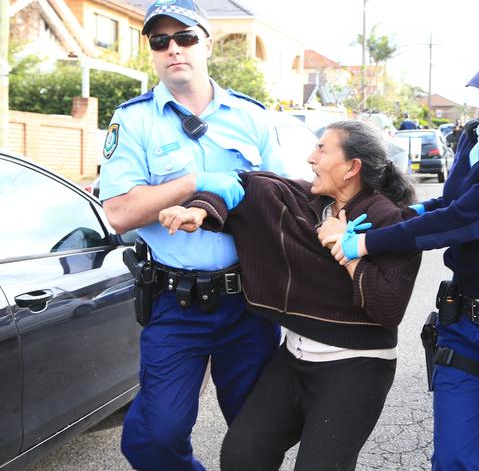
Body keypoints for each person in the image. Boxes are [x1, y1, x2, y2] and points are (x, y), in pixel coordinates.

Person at [321, 30, 479, 470]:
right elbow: (449, 202)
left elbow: (463, 221)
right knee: (453, 457)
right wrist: (399, 215)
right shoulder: (478, 136)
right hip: (465, 322)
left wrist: (363, 242)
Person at [158, 120, 422, 471]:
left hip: (356, 367)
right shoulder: (308, 200)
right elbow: (246, 185)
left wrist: (348, 248)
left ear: (352, 168)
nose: (310, 157)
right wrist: (200, 209)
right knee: (242, 455)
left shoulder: (390, 220)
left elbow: (389, 306)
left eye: (322, 149)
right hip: (295, 358)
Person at [99, 0, 285, 471]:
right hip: (174, 303)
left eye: (184, 37)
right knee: (154, 437)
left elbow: (285, 203)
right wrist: (191, 183)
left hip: (248, 301)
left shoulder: (253, 117)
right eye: (160, 41)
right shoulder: (133, 119)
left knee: (257, 435)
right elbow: (118, 213)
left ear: (206, 44)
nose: (173, 49)